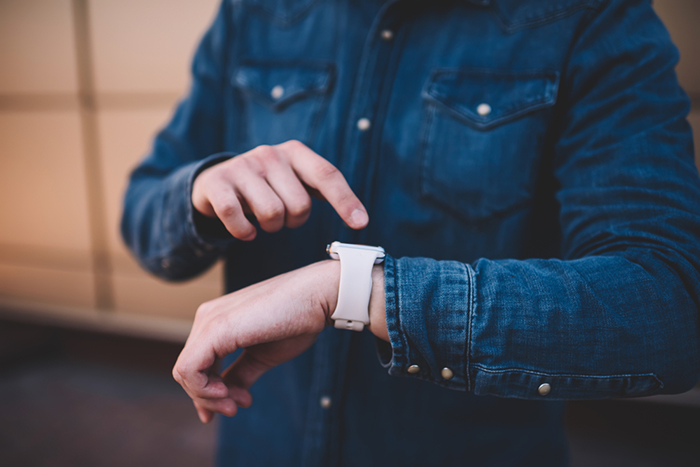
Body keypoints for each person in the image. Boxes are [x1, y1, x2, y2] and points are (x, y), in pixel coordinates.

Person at [121, 0, 700, 465]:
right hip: (259, 442)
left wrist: (355, 290)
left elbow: (669, 303)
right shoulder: (252, 13)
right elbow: (142, 216)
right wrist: (203, 192)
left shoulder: (592, 16)